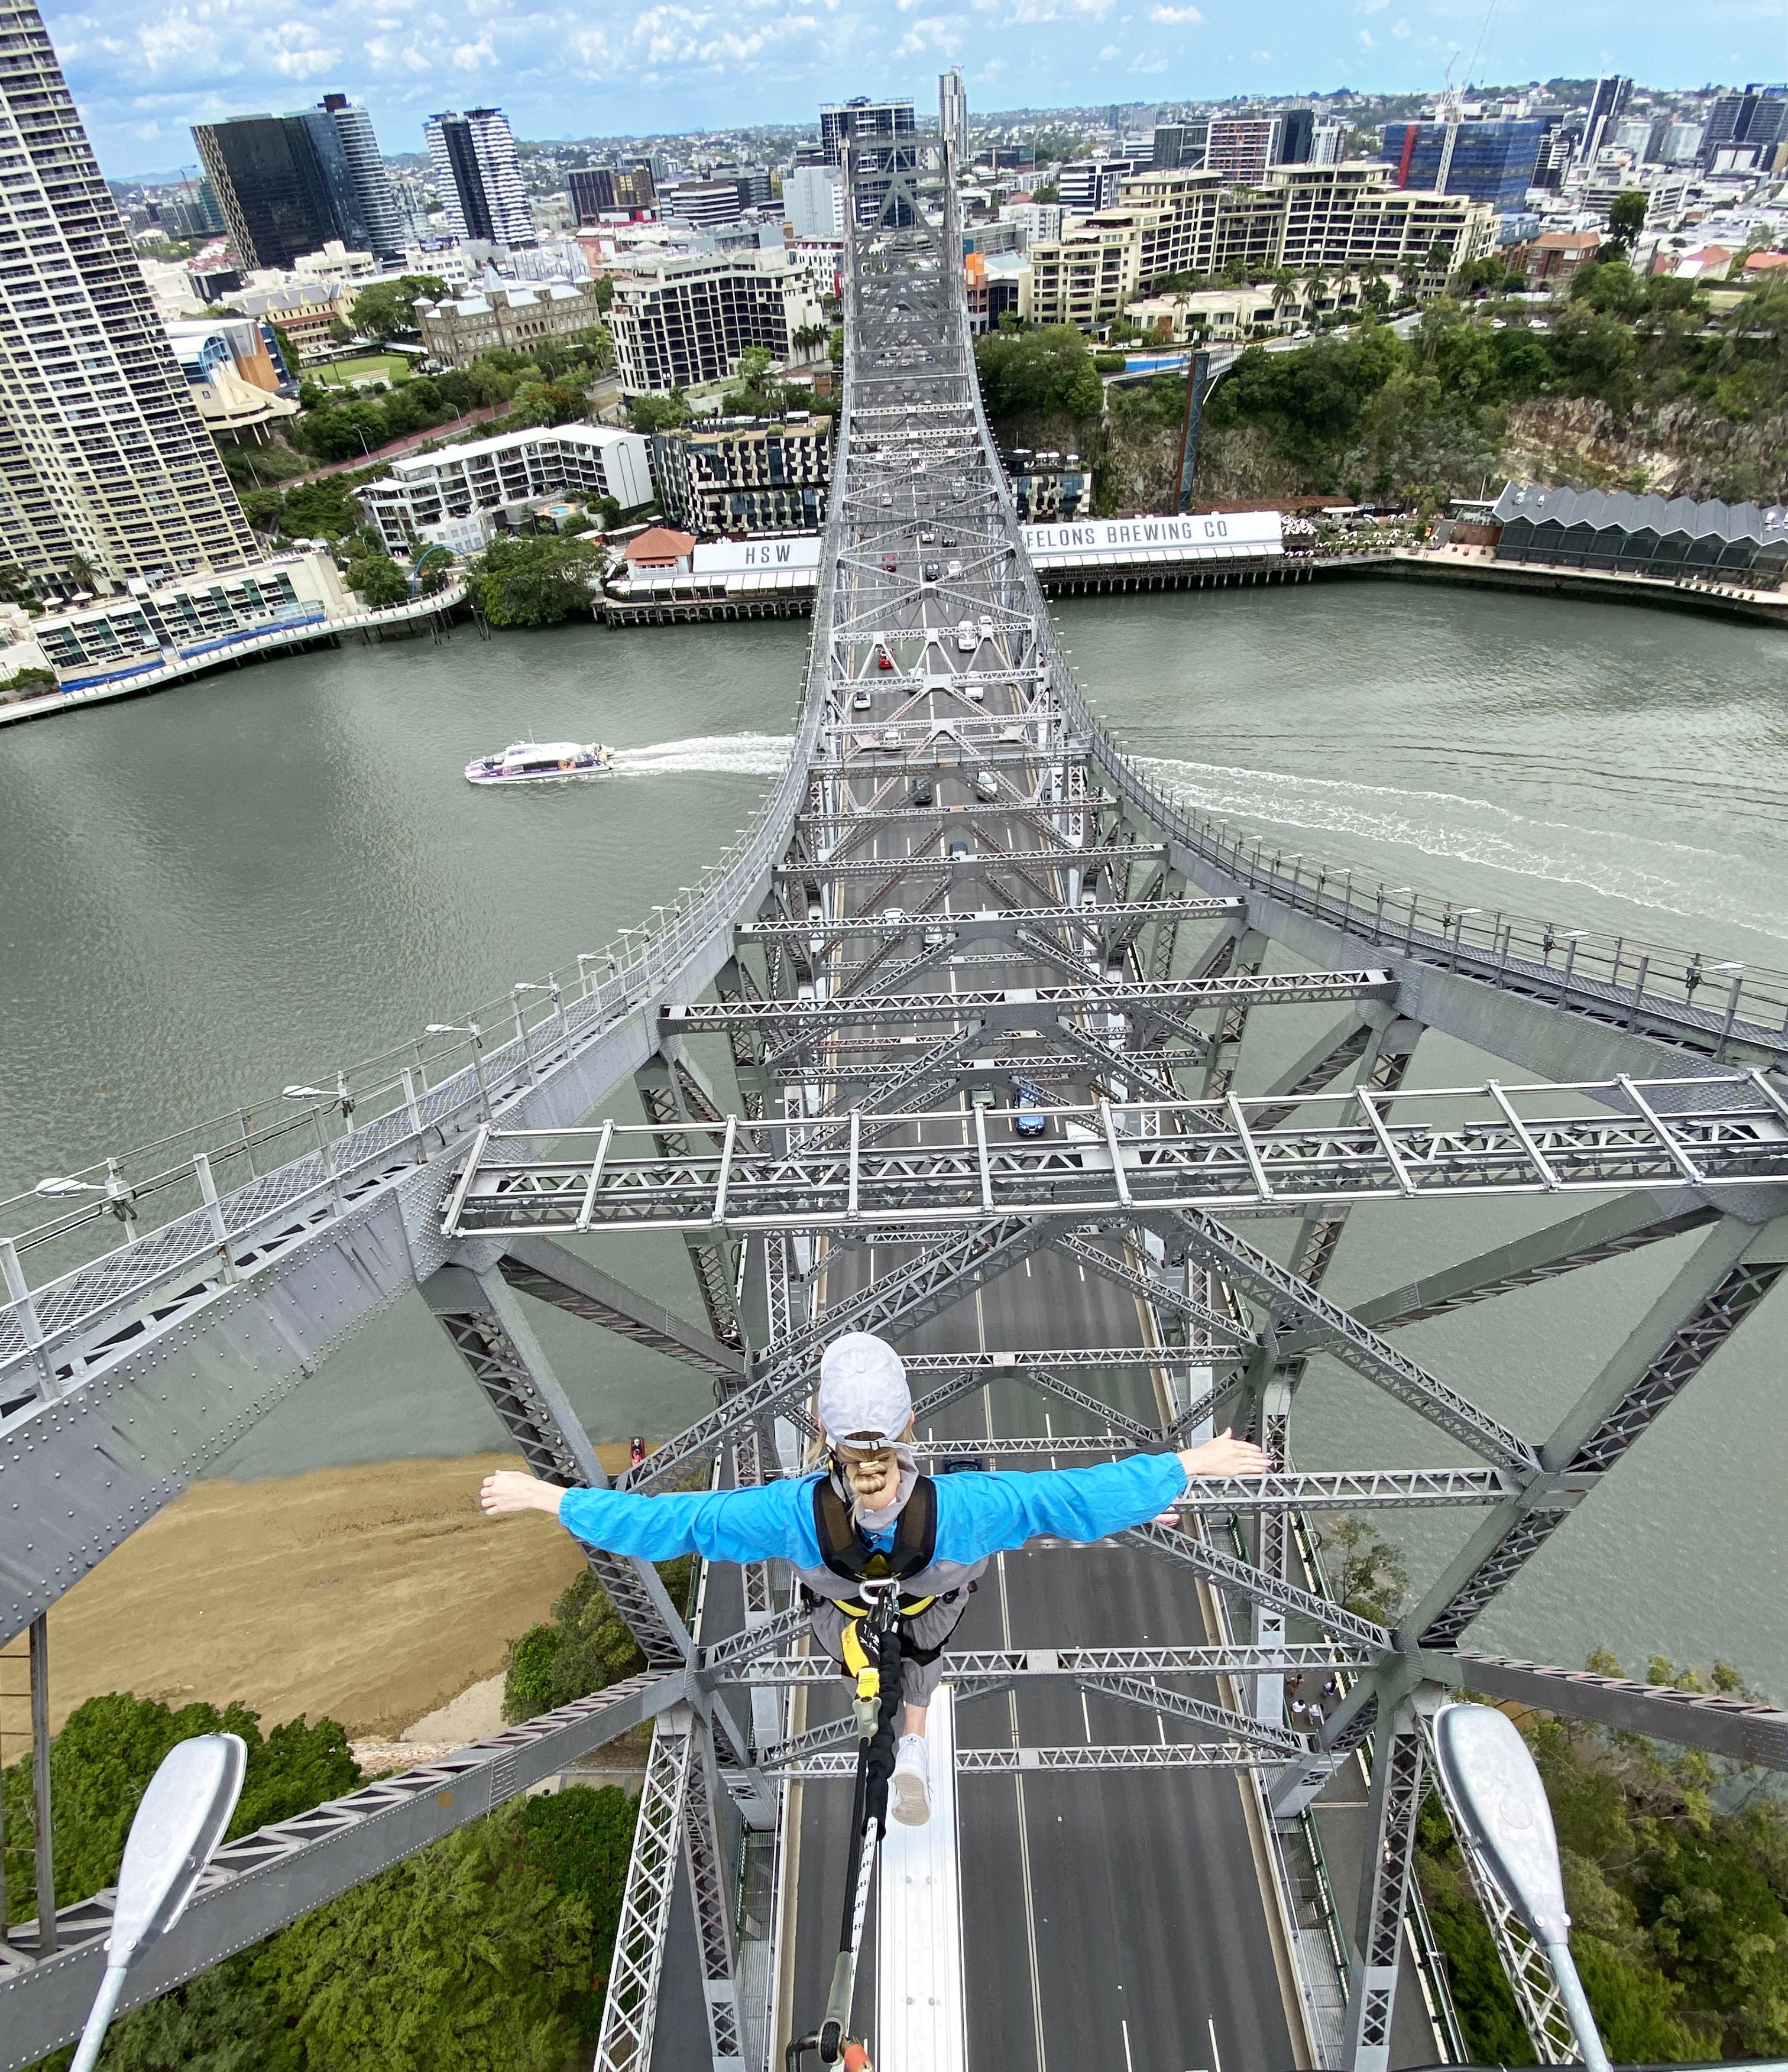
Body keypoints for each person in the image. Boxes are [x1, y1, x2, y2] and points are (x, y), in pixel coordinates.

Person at [482, 1331, 1269, 1827]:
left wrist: (550, 1498)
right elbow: (1072, 1500)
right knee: (937, 1636)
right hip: (934, 1605)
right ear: (909, 1427)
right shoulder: (963, 1504)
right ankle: (914, 1747)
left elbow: (666, 1525)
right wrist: (1186, 1466)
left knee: (869, 1649)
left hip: (846, 1620)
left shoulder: (788, 1512)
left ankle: (874, 1698)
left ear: (821, 1430)